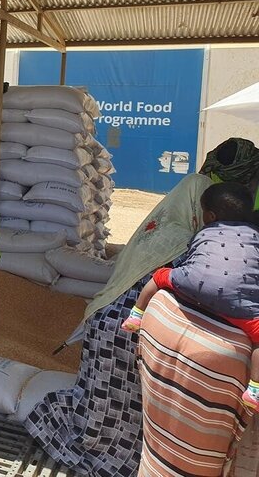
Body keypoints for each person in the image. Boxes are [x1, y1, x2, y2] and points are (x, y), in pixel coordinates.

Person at [25, 140, 259, 477]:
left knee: (107, 409)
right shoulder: (191, 245)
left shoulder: (170, 229)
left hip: (109, 325)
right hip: (130, 339)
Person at [122, 182, 259, 411]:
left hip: (195, 284)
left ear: (210, 215)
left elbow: (192, 258)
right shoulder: (254, 236)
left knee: (159, 277)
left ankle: (136, 314)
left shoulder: (203, 231)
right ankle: (254, 387)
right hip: (239, 308)